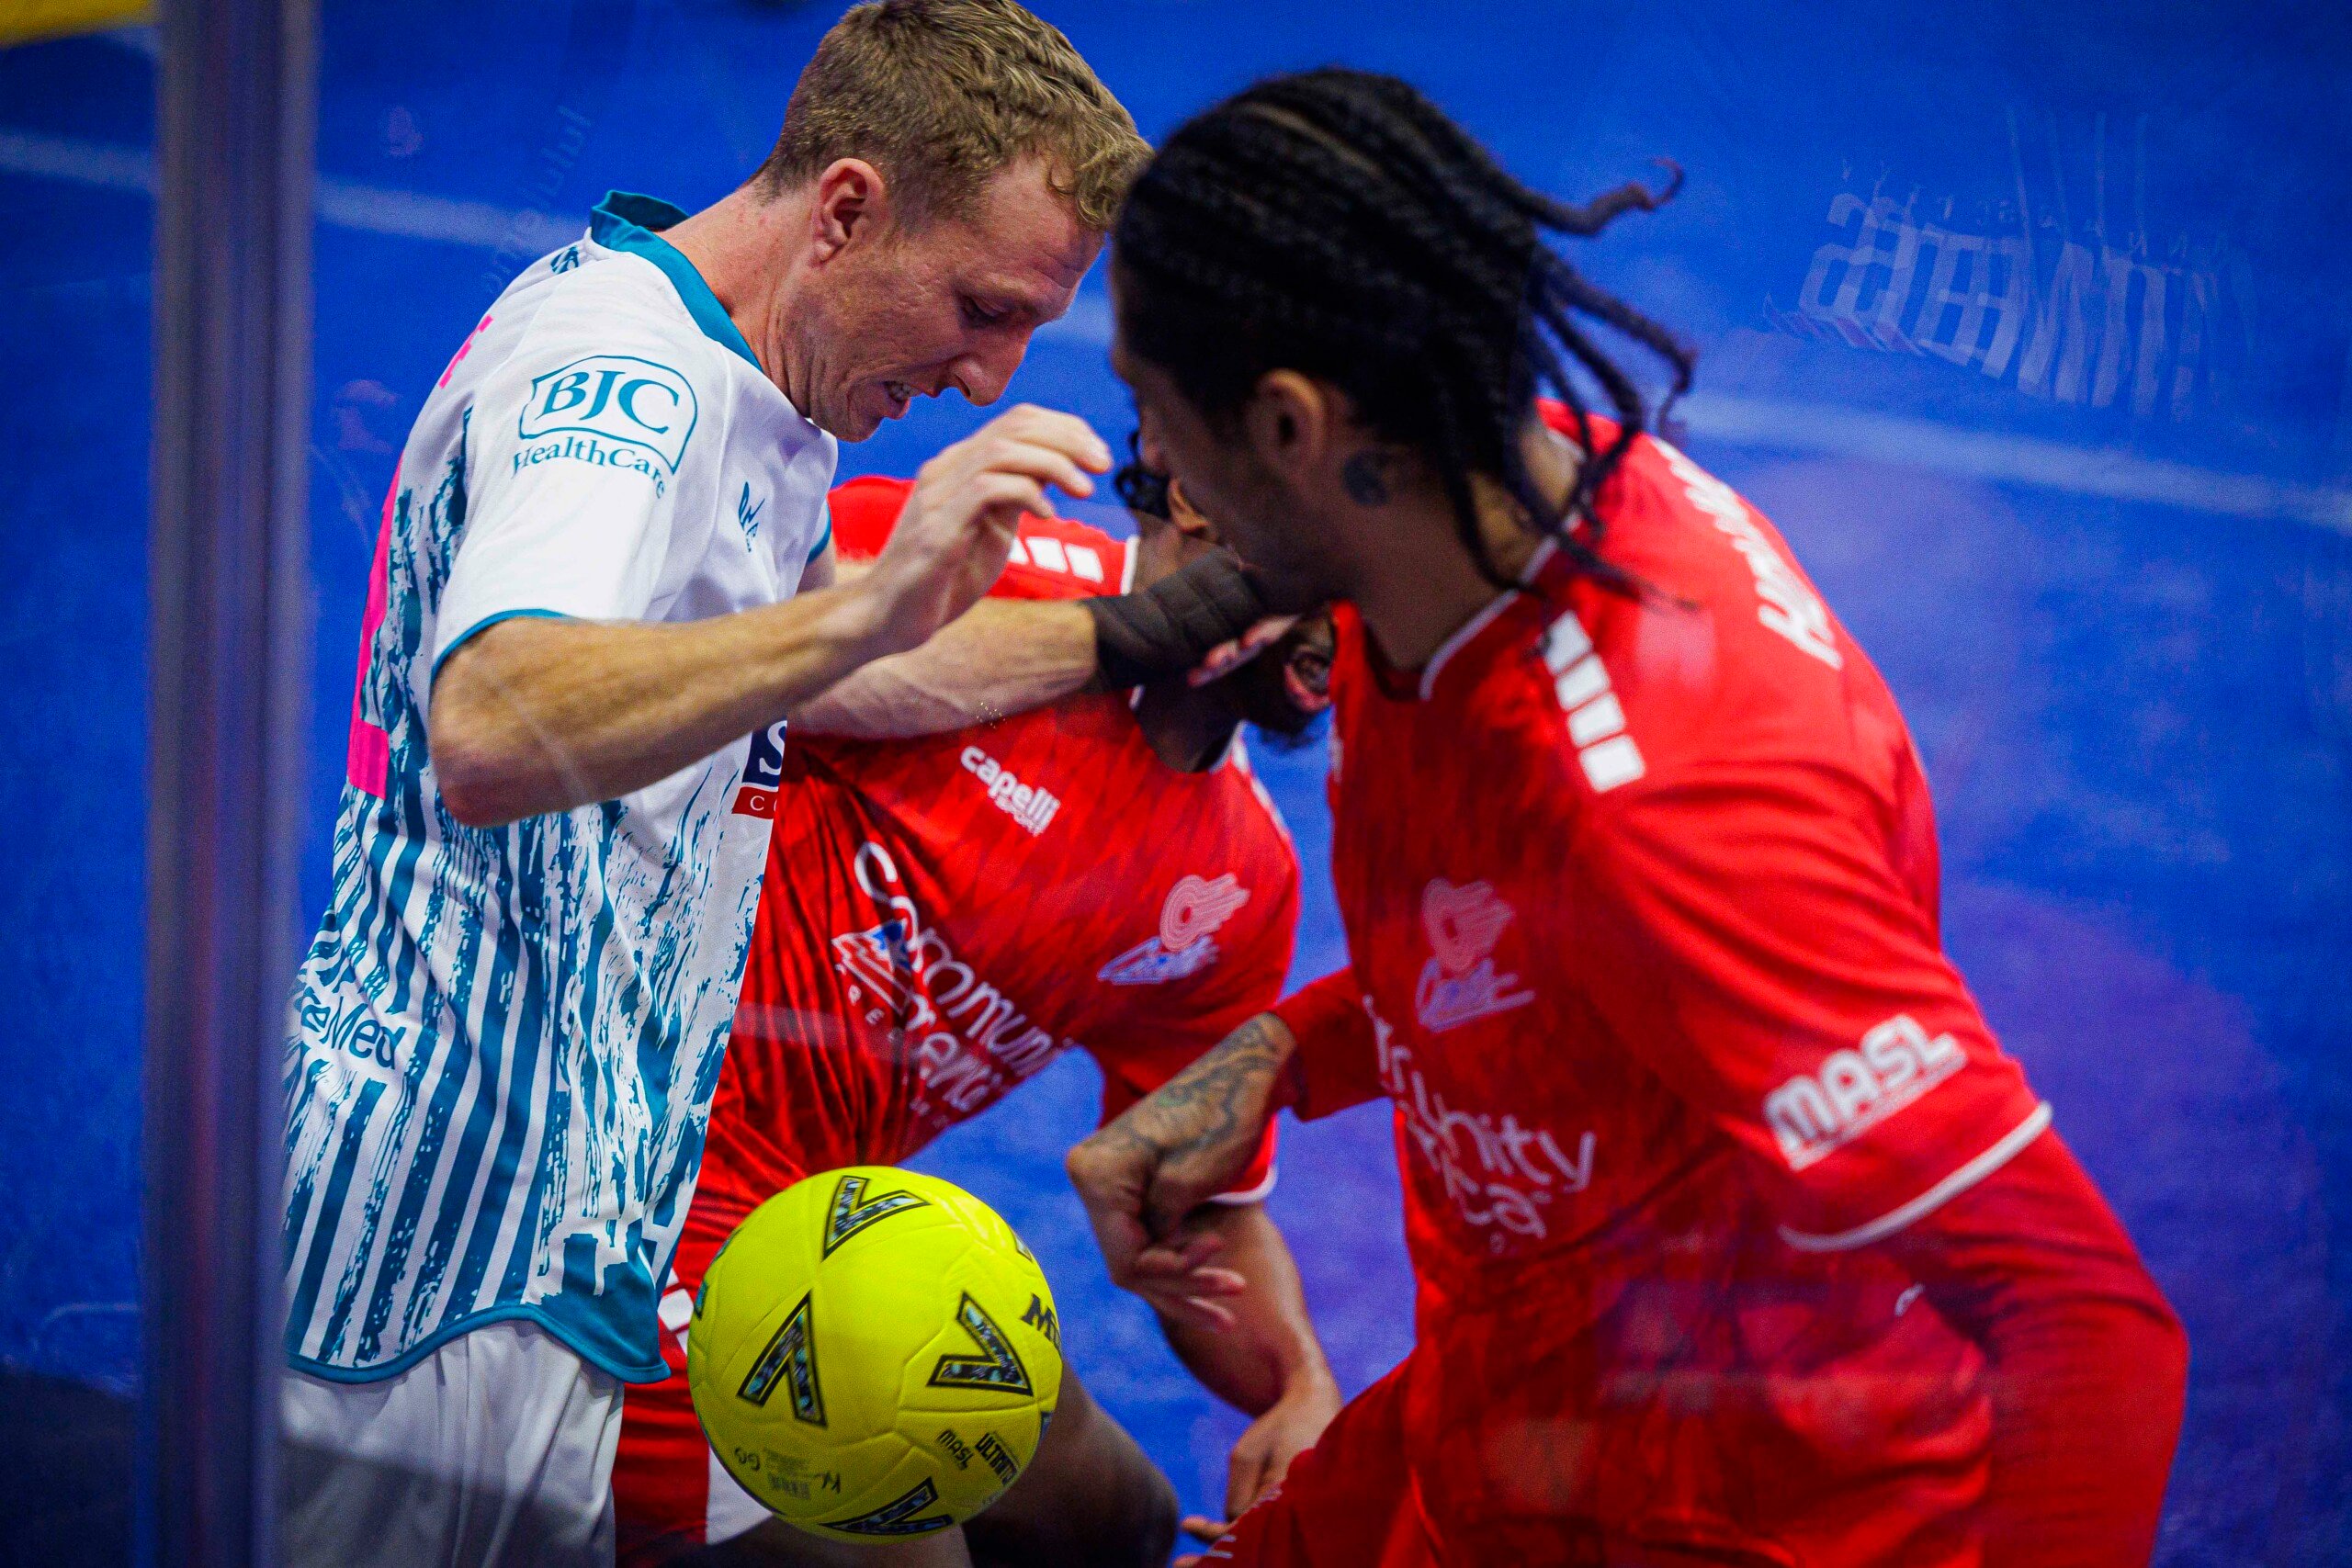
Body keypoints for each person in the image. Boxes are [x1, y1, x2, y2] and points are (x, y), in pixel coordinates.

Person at [1067, 69, 2190, 1567]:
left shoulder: (1671, 807)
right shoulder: (1465, 508)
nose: (1153, 475)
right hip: (1521, 1407)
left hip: (1714, 1514)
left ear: (1287, 425)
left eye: (1158, 422)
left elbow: (2081, 1316)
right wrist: (1282, 1051)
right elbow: (1537, 942)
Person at [278, 6, 1154, 1564]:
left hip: (565, 1223)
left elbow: (819, 673)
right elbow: (490, 720)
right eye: (981, 309)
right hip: (431, 1244)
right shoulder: (631, 383)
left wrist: (1137, 628)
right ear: (846, 209)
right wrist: (859, 615)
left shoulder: (762, 392)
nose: (987, 375)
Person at [612, 465, 1342, 1568]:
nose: (1358, 615)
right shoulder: (950, 566)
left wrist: (1300, 1389)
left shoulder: (1239, 881)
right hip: (630, 1166)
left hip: (818, 1225)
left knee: (1116, 1523)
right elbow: (629, 683)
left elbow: (1190, 1194)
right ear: (1200, 491)